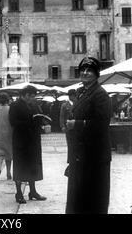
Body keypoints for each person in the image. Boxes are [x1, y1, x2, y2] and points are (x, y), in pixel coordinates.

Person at [65, 56, 112, 214]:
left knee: (93, 200)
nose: (85, 73)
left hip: (94, 158)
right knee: (78, 200)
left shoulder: (100, 95)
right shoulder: (83, 93)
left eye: (89, 70)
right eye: (82, 70)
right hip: (80, 156)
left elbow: (101, 124)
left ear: (97, 74)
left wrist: (76, 124)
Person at [9, 85, 47, 204]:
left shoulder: (34, 105)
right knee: (20, 166)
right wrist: (30, 121)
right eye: (29, 96)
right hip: (21, 140)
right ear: (23, 95)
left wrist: (41, 121)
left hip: (33, 140)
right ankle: (19, 193)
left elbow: (39, 116)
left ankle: (33, 191)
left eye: (33, 96)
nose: (31, 98)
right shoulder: (15, 105)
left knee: (33, 165)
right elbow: (13, 122)